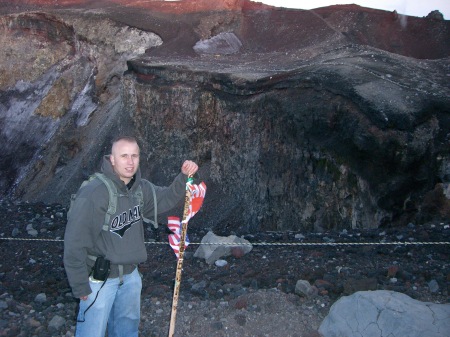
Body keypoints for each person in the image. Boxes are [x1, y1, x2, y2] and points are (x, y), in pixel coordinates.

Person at [63, 136, 198, 337]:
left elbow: (166, 198)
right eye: (124, 156)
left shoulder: (140, 189)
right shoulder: (94, 192)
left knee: (127, 332)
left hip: (131, 277)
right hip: (99, 280)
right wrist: (79, 284)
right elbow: (75, 241)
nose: (130, 161)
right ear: (112, 160)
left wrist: (183, 176)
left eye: (134, 155)